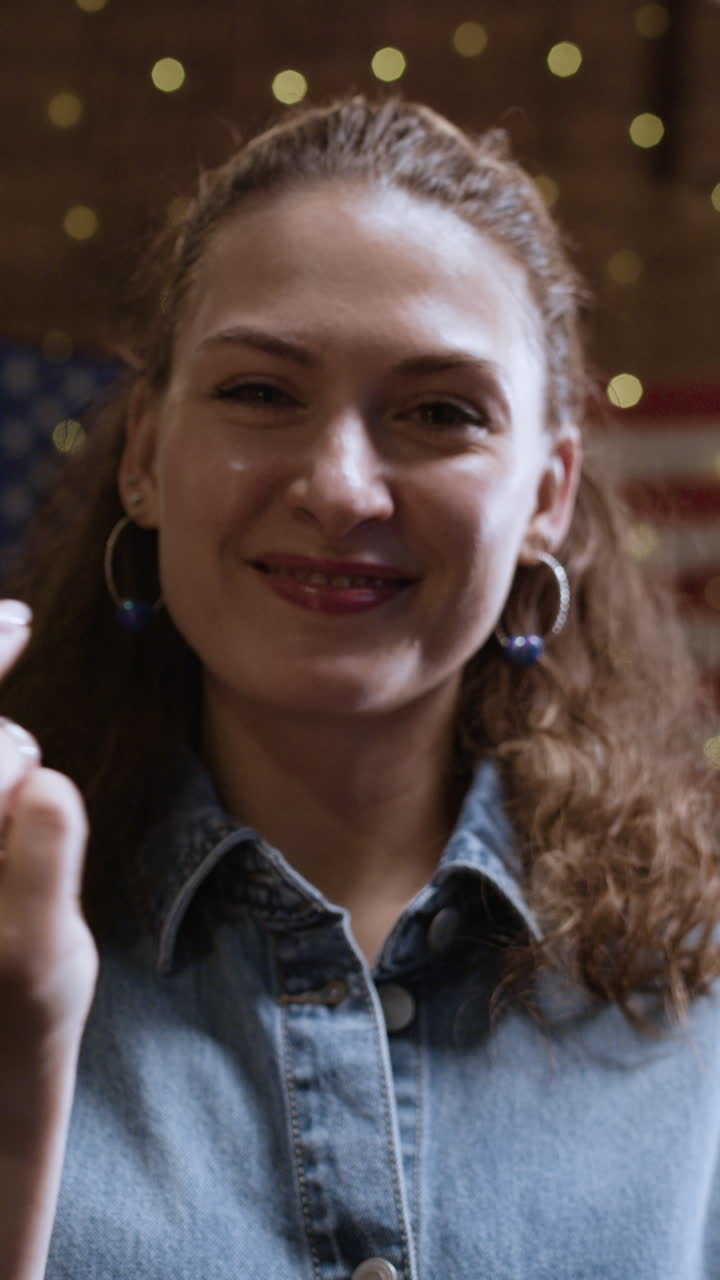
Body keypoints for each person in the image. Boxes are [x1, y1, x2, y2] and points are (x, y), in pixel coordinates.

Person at [1, 94, 719, 1280]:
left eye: (440, 412)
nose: (340, 489)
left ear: (547, 495)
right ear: (144, 455)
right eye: (260, 392)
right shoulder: (12, 926)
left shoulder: (695, 983)